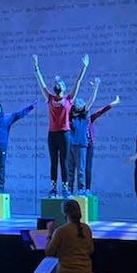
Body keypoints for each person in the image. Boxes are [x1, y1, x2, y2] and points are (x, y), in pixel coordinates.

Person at [33, 53, 90, 198]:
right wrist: (36, 67)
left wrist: (84, 67)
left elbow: (77, 82)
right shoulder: (50, 98)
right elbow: (41, 83)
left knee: (64, 162)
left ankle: (65, 188)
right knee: (53, 162)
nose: (57, 85)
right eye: (55, 85)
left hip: (65, 134)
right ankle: (53, 189)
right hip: (52, 134)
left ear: (63, 87)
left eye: (60, 84)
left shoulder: (69, 99)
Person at [0, 94, 37, 193]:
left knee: (0, 166)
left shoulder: (6, 117)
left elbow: (19, 114)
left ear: (0, 108)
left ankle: (1, 187)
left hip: (1, 146)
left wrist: (31, 107)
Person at [44, 198, 95, 273]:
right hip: (86, 272)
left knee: (45, 270)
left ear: (64, 212)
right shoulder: (87, 228)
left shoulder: (61, 230)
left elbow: (49, 253)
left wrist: (50, 233)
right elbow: (91, 250)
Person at [85, 93, 121, 194]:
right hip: (78, 146)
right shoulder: (74, 119)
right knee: (78, 169)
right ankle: (75, 188)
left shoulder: (90, 118)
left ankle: (87, 189)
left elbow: (101, 111)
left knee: (87, 167)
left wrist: (113, 103)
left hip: (89, 145)